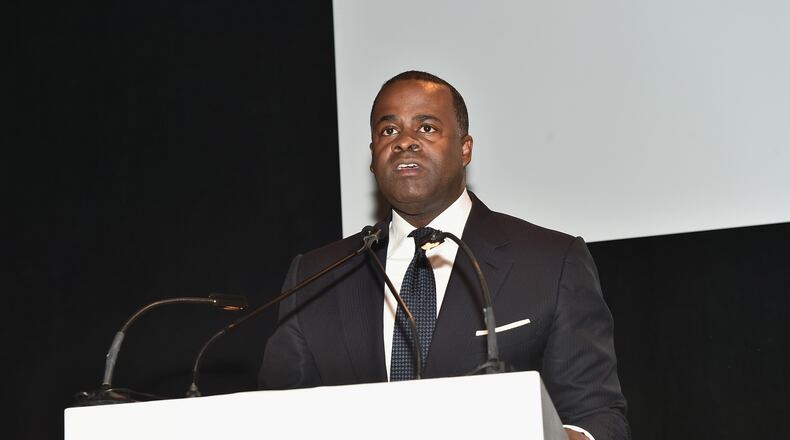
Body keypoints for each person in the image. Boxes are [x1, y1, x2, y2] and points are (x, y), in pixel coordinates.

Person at [260, 71, 629, 440]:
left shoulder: (551, 262)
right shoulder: (315, 277)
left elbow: (597, 417)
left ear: (465, 149)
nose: (404, 142)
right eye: (388, 131)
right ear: (373, 157)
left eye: (426, 128)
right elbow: (272, 421)